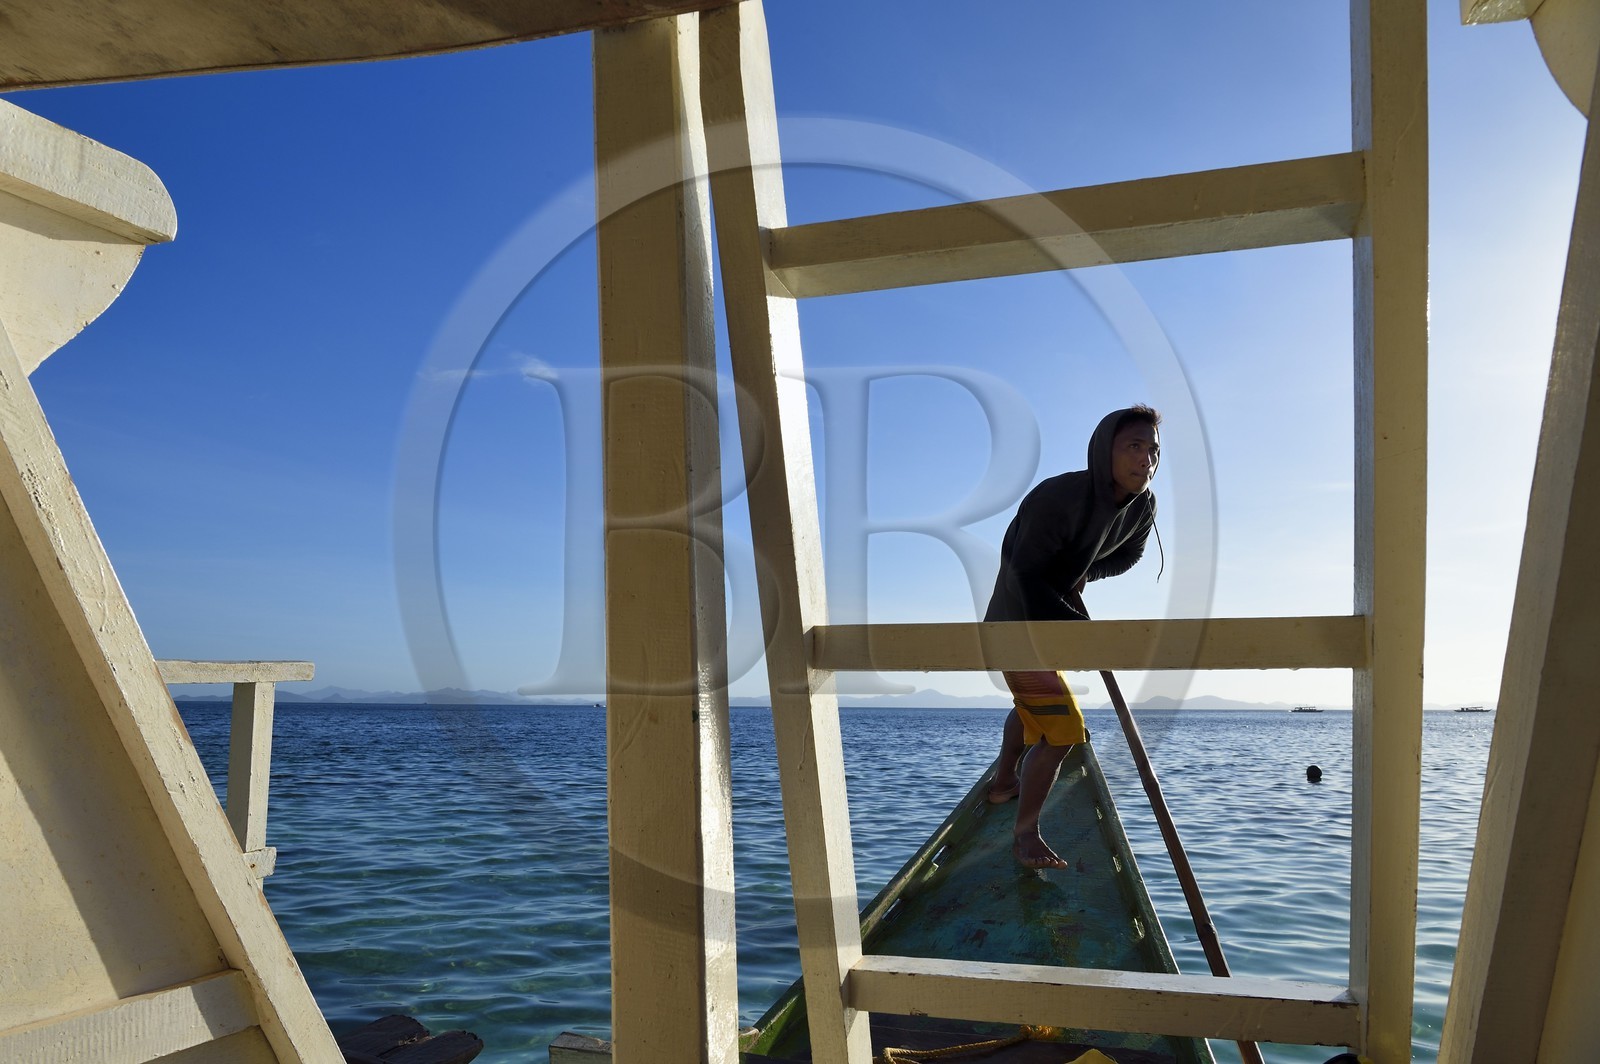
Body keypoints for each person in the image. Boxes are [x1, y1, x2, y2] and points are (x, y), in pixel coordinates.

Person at [984, 405, 1160, 868]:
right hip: (1016, 624)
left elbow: (1128, 557)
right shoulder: (1057, 497)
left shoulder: (1142, 505)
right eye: (1135, 447)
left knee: (1030, 709)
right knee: (1062, 730)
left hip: (1050, 621)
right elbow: (1025, 575)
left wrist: (1079, 573)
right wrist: (1080, 632)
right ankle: (1025, 837)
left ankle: (1004, 784)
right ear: (1106, 451)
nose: (1147, 460)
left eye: (1153, 450)